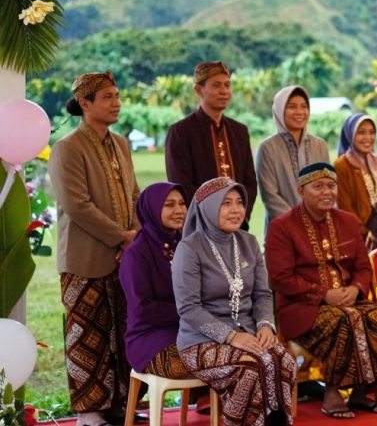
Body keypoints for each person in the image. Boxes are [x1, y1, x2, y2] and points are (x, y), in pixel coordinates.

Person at [265, 163, 377, 418]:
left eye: (331, 185)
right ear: (301, 190)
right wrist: (324, 294)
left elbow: (362, 267)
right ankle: (333, 392)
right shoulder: (283, 227)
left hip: (350, 301)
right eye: (318, 186)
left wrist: (356, 288)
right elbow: (280, 278)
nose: (327, 191)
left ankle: (361, 391)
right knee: (343, 321)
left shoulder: (347, 220)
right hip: (302, 309)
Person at [49, 71, 140, 426]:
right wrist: (122, 236)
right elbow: (77, 205)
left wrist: (134, 235)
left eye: (117, 95)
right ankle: (89, 412)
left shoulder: (121, 144)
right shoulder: (67, 147)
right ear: (85, 104)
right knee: (86, 335)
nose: (116, 102)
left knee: (122, 330)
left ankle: (119, 404)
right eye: (107, 97)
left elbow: (133, 194)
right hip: (84, 260)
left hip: (124, 257)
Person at [172, 178, 295, 426]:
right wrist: (230, 336)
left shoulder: (248, 243)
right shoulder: (190, 248)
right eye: (226, 203)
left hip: (249, 333)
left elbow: (262, 293)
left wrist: (264, 326)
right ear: (207, 208)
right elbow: (188, 308)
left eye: (239, 202)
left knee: (284, 362)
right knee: (249, 370)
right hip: (201, 342)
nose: (236, 210)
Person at [165, 61, 258, 224]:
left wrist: (239, 214)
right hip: (199, 225)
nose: (224, 91)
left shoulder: (239, 131)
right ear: (199, 90)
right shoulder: (181, 132)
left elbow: (249, 181)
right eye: (216, 85)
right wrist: (214, 216)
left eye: (227, 85)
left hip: (238, 223)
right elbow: (181, 183)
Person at [120, 182, 190, 379]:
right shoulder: (137, 253)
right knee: (213, 363)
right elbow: (143, 307)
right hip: (150, 339)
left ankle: (222, 409)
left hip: (187, 332)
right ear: (151, 209)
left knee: (238, 358)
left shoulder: (184, 244)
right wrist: (190, 312)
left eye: (182, 203)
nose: (179, 210)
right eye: (169, 205)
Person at [255, 86, 330, 234]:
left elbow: (328, 187)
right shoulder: (267, 148)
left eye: (304, 106)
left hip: (320, 229)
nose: (300, 112)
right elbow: (270, 196)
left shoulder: (320, 145)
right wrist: (299, 226)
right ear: (279, 110)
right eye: (292, 107)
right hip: (283, 232)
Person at [334, 112, 377, 244]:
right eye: (361, 132)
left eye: (372, 132)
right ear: (350, 134)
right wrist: (364, 233)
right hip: (354, 234)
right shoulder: (342, 165)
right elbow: (344, 207)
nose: (368, 137)